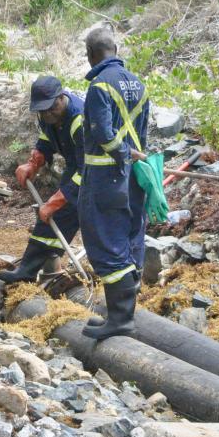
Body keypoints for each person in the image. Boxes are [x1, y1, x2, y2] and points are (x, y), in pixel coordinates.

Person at [78, 26, 149, 340]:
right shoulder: (139, 85)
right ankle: (122, 316)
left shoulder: (99, 86)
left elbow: (103, 133)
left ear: (91, 55)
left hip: (105, 177)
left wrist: (120, 153)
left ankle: (120, 320)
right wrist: (131, 158)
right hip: (134, 176)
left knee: (105, 240)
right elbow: (143, 135)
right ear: (115, 49)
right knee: (130, 236)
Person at [0, 75, 86, 284]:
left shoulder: (80, 120)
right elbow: (46, 139)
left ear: (61, 97)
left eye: (50, 108)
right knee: (54, 219)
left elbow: (86, 170)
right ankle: (35, 268)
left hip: (97, 172)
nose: (46, 114)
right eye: (42, 110)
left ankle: (30, 270)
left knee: (62, 213)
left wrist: (56, 202)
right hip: (76, 165)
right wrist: (34, 162)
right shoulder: (48, 116)